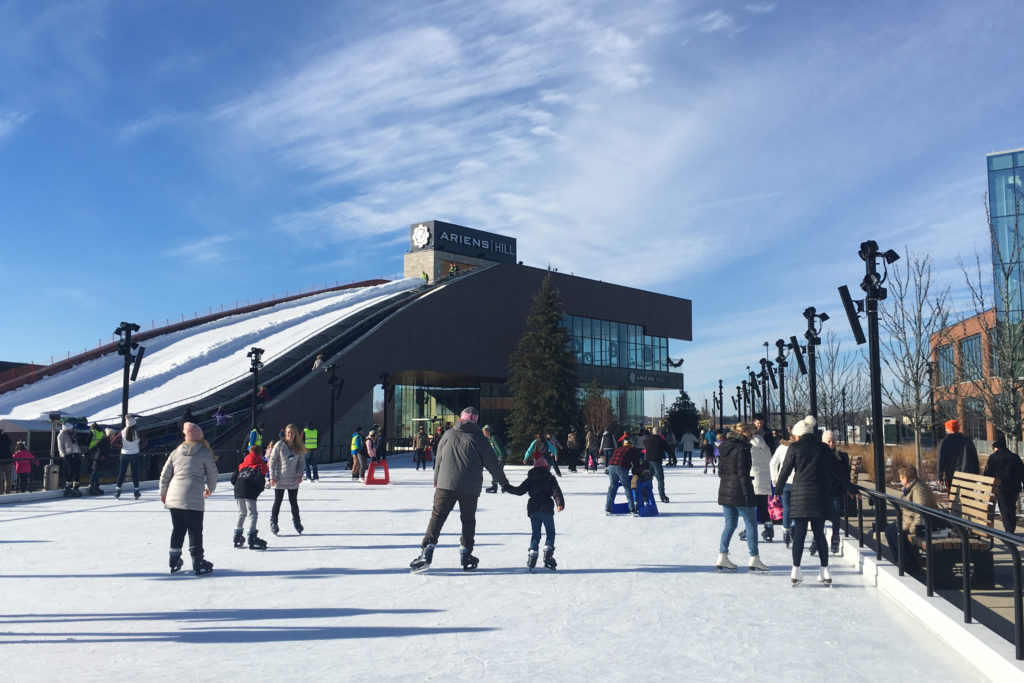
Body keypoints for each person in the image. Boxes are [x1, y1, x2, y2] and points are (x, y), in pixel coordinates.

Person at [410, 407, 509, 572]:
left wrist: (436, 480)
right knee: (468, 520)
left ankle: (427, 549)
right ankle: (466, 553)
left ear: (460, 419)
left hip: (445, 484)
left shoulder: (448, 434)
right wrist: (504, 483)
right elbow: (493, 463)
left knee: (437, 517)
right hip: (470, 488)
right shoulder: (479, 438)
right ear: (476, 421)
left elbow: (438, 459)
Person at [774, 416, 851, 586]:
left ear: (799, 435)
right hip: (819, 497)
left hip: (800, 497)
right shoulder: (823, 448)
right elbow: (838, 470)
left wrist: (778, 490)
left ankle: (796, 570)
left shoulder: (794, 448)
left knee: (800, 535)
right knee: (819, 535)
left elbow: (785, 471)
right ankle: (825, 570)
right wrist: (851, 488)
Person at [159, 422, 218, 575]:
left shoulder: (175, 452)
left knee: (178, 529)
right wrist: (210, 489)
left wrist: (163, 493)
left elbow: (165, 475)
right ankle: (197, 561)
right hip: (193, 495)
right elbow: (212, 473)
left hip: (173, 494)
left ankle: (174, 559)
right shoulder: (204, 452)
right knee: (195, 530)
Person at [715, 423, 768, 572]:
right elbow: (742, 474)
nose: (751, 437)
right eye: (750, 434)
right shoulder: (743, 448)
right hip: (740, 491)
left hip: (725, 490)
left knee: (730, 524)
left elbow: (720, 472)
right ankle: (754, 558)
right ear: (742, 432)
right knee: (751, 524)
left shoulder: (724, 447)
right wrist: (747, 495)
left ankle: (722, 555)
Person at [504, 453, 565, 570]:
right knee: (550, 532)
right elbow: (556, 492)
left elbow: (519, 490)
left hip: (533, 509)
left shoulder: (530, 478)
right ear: (546, 467)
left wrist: (507, 487)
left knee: (536, 532)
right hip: (546, 508)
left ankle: (532, 555)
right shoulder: (550, 478)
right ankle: (548, 554)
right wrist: (560, 504)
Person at [884, 465, 937, 572]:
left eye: (901, 477)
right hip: (908, 520)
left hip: (921, 525)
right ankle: (901, 561)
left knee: (895, 533)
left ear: (906, 478)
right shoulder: (910, 487)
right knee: (889, 530)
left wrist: (913, 529)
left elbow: (921, 513)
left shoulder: (918, 489)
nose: (899, 479)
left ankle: (907, 563)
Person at [269, 424, 307, 535]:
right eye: (289, 432)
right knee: (278, 501)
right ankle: (274, 522)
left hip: (293, 480)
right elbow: (272, 461)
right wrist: (272, 477)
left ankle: (297, 523)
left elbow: (301, 462)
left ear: (296, 434)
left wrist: (300, 474)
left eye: (293, 433)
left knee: (293, 502)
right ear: (285, 433)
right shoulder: (279, 445)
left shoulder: (299, 447)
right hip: (280, 479)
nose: (290, 435)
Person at [820, 430, 851, 555]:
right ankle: (818, 538)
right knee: (820, 516)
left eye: (833, 441)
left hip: (835, 490)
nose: (831, 444)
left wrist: (847, 487)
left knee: (835, 514)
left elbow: (845, 473)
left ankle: (835, 537)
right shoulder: (819, 455)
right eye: (828, 441)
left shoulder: (841, 456)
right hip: (823, 491)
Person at [983, 436, 1024, 533]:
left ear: (996, 447)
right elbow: (1022, 472)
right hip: (1014, 487)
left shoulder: (993, 458)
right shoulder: (1015, 457)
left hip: (1001, 487)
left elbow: (987, 473)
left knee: (1004, 508)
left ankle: (1009, 531)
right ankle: (1011, 528)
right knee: (1011, 507)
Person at [233, 445, 270, 550]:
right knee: (253, 514)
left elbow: (233, 479)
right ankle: (252, 536)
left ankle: (237, 535)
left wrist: (239, 487)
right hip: (249, 490)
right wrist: (257, 490)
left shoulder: (242, 464)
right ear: (260, 454)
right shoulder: (261, 465)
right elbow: (260, 480)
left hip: (238, 490)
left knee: (242, 513)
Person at [748, 427, 774, 542]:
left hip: (753, 479)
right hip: (765, 478)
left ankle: (749, 530)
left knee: (749, 507)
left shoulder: (750, 447)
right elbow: (770, 462)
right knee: (763, 507)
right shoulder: (766, 447)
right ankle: (769, 530)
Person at [937, 419, 979, 490]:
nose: (946, 430)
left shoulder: (945, 442)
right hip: (968, 476)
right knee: (967, 498)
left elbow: (941, 460)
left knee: (953, 499)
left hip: (952, 476)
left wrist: (939, 476)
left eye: (947, 428)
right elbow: (975, 459)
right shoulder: (968, 441)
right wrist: (976, 474)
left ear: (950, 429)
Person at [605, 436, 641, 516]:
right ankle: (632, 508)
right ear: (631, 445)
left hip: (611, 466)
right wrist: (637, 473)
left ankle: (608, 508)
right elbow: (636, 463)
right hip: (621, 466)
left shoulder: (618, 449)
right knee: (627, 487)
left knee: (612, 486)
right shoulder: (632, 450)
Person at [769, 429, 793, 547]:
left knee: (787, 506)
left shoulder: (781, 448)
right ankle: (791, 526)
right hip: (797, 481)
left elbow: (773, 463)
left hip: (784, 481)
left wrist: (775, 480)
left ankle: (786, 529)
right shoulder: (798, 448)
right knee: (794, 506)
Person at [114, 416, 142, 500]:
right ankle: (136, 491)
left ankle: (118, 491)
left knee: (121, 473)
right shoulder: (137, 432)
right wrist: (139, 447)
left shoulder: (122, 432)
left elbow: (113, 442)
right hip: (135, 454)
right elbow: (145, 440)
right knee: (135, 473)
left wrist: (122, 446)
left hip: (124, 454)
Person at [642, 429, 670, 503]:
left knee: (648, 478)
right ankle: (662, 496)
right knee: (660, 479)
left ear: (652, 432)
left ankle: (646, 495)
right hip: (657, 461)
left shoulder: (647, 440)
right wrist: (673, 457)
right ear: (659, 433)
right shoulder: (661, 441)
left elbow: (644, 443)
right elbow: (668, 449)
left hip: (647, 461)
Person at [57, 422, 83, 497]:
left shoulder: (73, 434)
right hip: (68, 453)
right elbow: (60, 445)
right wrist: (62, 453)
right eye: (71, 429)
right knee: (70, 470)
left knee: (77, 470)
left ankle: (76, 485)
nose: (72, 430)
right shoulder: (61, 434)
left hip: (76, 453)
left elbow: (76, 443)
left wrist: (79, 451)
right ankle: (68, 485)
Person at [85, 423, 109, 495]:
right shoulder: (102, 432)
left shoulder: (93, 432)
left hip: (93, 452)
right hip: (99, 453)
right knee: (97, 471)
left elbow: (87, 441)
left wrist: (86, 452)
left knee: (94, 470)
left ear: (92, 428)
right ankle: (96, 485)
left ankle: (91, 484)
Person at [482, 424, 507, 493]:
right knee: (497, 472)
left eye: (485, 431)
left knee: (497, 472)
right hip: (497, 458)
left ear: (489, 431)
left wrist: (501, 457)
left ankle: (499, 486)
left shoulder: (493, 438)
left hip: (500, 458)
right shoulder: (490, 439)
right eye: (483, 431)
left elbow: (499, 448)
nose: (484, 433)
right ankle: (502, 486)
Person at [0, 427, 12, 494]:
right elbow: (10, 442)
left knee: (0, 478)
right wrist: (5, 435)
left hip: (0, 460)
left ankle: (0, 493)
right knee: (8, 477)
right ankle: (8, 492)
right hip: (8, 459)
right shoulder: (5, 437)